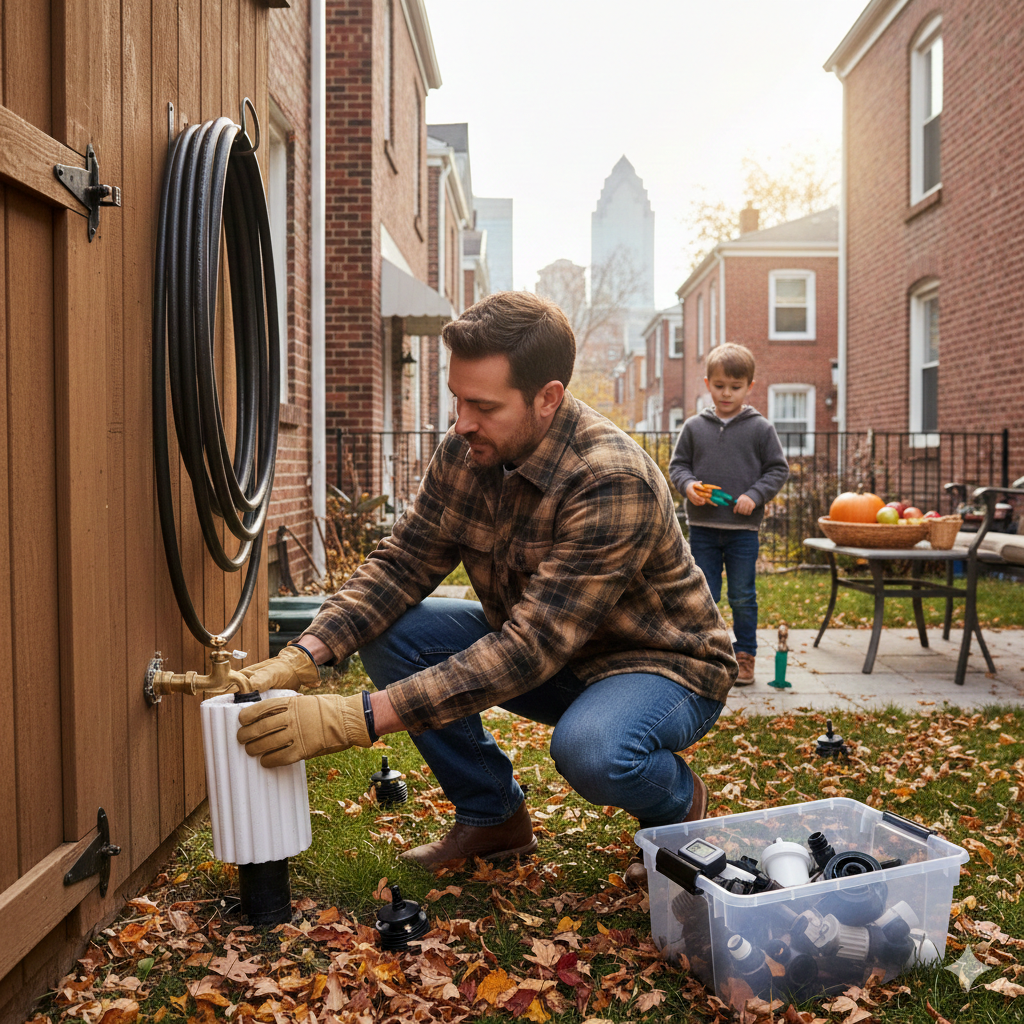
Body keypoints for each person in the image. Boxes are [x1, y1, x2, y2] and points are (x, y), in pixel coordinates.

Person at [234, 291, 737, 878]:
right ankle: (493, 816)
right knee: (398, 634)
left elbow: (529, 648)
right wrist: (306, 654)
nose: (461, 422)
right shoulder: (465, 451)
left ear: (548, 397)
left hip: (660, 669)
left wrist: (356, 718)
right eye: (457, 399)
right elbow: (402, 563)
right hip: (556, 660)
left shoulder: (609, 481)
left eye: (483, 405)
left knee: (593, 750)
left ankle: (679, 808)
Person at [668, 343, 789, 686]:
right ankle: (707, 653)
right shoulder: (694, 427)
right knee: (704, 594)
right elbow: (679, 467)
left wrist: (755, 495)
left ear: (749, 387)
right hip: (703, 529)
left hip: (742, 531)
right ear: (708, 383)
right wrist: (689, 485)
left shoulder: (760, 429)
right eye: (720, 386)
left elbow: (777, 470)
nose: (726, 393)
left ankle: (745, 655)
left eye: (735, 388)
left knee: (742, 595)